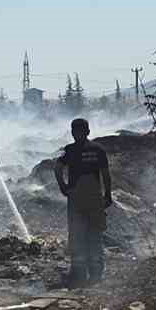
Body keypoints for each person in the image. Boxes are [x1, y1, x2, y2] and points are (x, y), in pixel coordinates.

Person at [53, 119, 113, 287]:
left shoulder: (70, 150)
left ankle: (78, 273)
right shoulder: (98, 150)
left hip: (76, 198)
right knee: (95, 233)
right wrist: (107, 194)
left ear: (73, 132)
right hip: (94, 197)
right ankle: (96, 273)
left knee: (77, 234)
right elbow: (106, 175)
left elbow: (57, 168)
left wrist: (63, 186)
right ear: (88, 131)